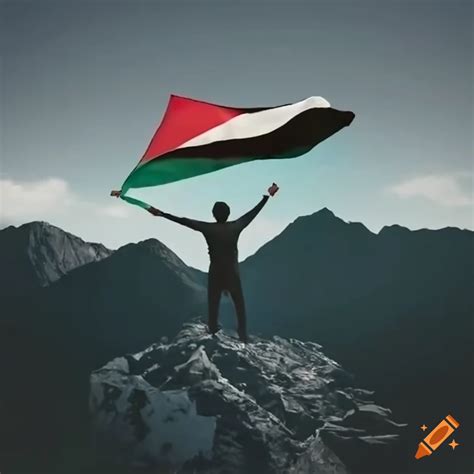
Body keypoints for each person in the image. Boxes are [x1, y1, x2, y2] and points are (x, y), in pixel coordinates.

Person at [147, 183, 279, 342]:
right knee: (239, 304)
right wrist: (266, 198)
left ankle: (213, 327)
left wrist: (162, 214)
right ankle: (242, 333)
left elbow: (184, 221)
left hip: (216, 272)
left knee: (213, 304)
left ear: (214, 214)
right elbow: (252, 214)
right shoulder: (235, 226)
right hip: (232, 273)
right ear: (228, 214)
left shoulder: (208, 228)